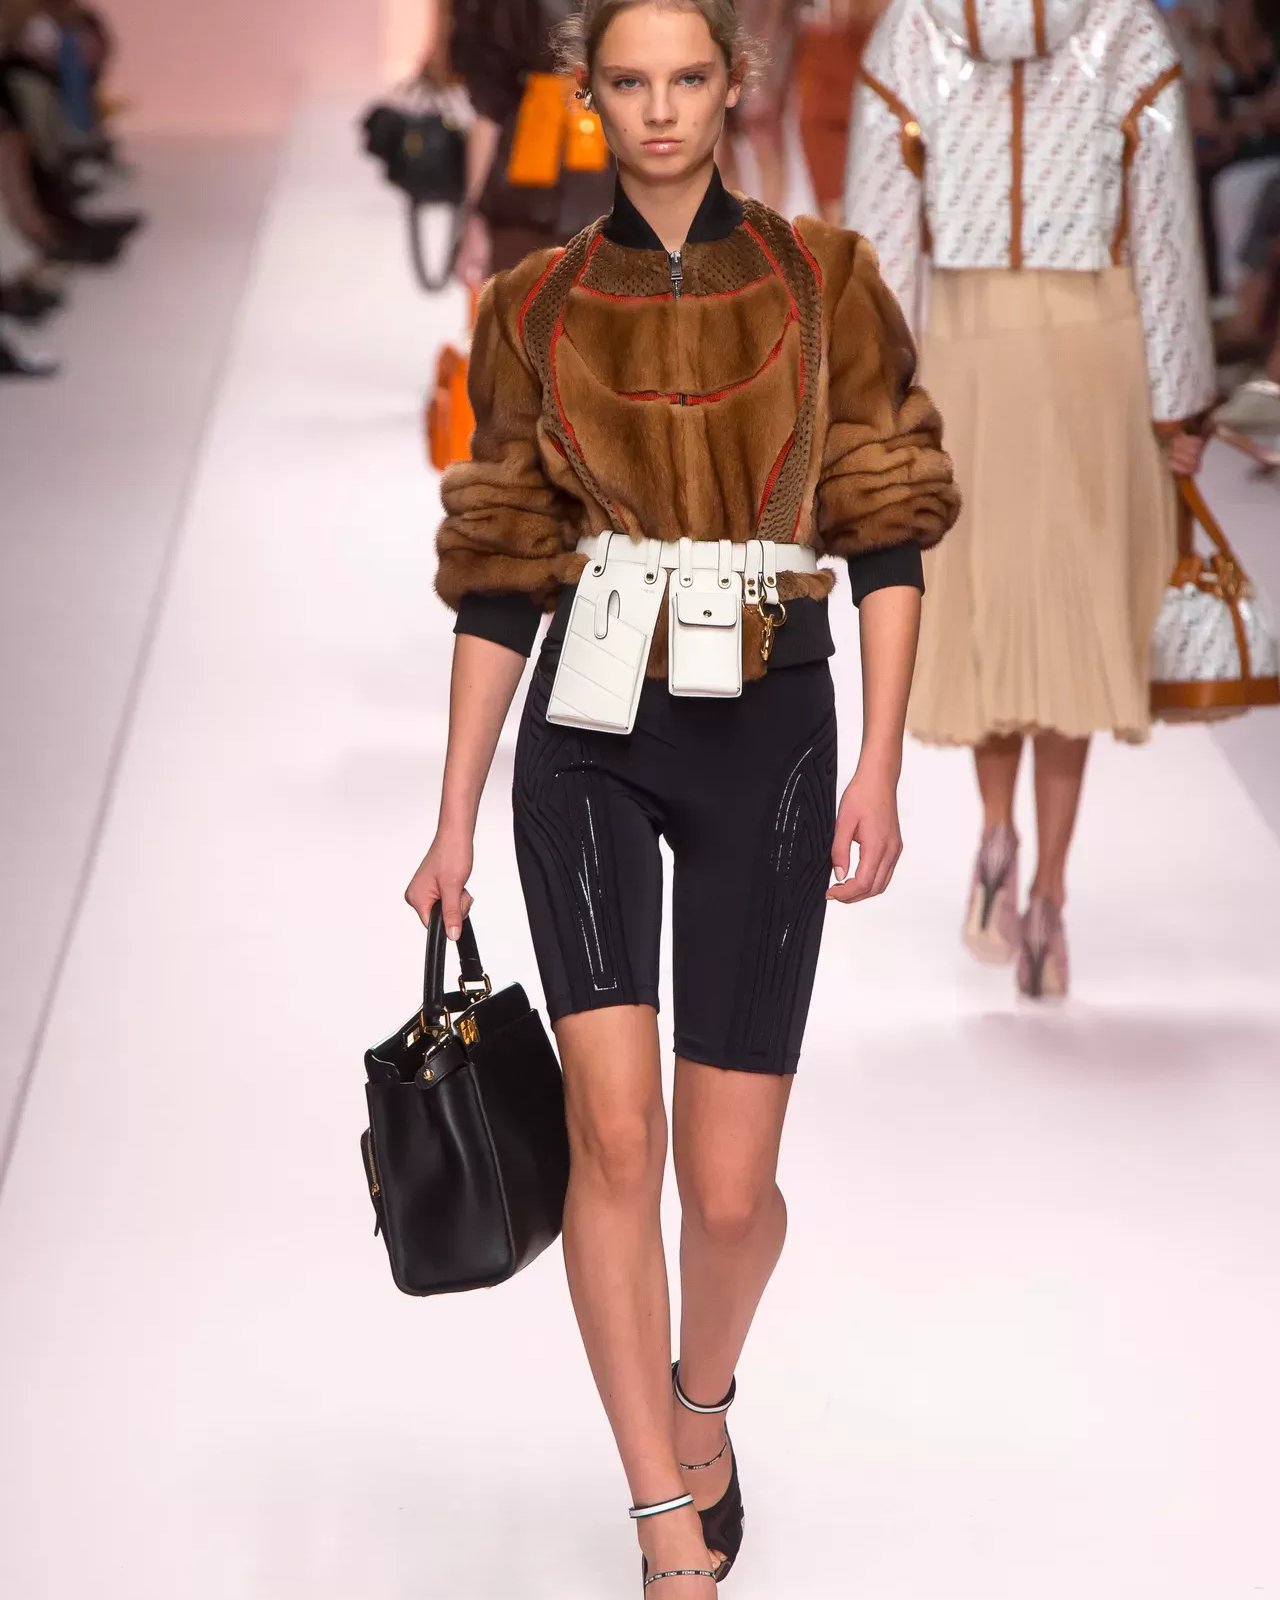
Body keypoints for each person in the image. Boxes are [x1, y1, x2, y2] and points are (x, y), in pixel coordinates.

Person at [406, 0, 959, 1590]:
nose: (660, 110)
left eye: (689, 79)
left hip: (770, 730)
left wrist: (881, 760)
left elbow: (889, 529)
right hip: (586, 731)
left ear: (735, 87)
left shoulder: (825, 281)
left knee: (727, 1199)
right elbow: (499, 574)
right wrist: (452, 815)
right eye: (630, 82)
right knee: (614, 1137)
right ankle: (664, 1522)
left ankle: (699, 1402)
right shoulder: (532, 305)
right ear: (589, 95)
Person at [846, 0, 1216, 999]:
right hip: (1095, 344)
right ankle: (1050, 892)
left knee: (987, 611)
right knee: (1072, 621)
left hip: (966, 346)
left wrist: (874, 396)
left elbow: (879, 242)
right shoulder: (1125, 29)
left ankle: (995, 838)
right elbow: (1165, 233)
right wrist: (1180, 400)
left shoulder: (914, 28)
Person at [450, 0, 616, 284]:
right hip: (524, 204)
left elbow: (489, 110)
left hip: (605, 204)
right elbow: (489, 108)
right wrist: (476, 221)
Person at [716, 0, 805, 211]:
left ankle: (768, 221)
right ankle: (736, 221)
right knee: (717, 136)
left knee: (761, 123)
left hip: (759, 28)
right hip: (716, 27)